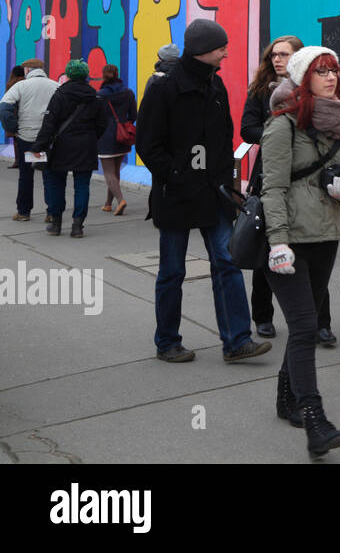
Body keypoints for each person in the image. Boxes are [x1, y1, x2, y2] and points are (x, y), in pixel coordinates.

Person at [135, 19, 271, 364]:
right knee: (171, 271)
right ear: (202, 50)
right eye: (221, 47)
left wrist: (228, 184)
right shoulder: (163, 88)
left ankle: (238, 341)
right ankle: (167, 341)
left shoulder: (216, 86)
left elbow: (225, 139)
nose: (226, 52)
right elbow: (147, 145)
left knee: (227, 263)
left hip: (215, 194)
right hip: (175, 195)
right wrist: (175, 176)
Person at [261, 45, 340, 457]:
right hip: (290, 241)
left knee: (303, 323)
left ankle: (286, 399)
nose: (332, 77)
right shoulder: (282, 126)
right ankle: (315, 419)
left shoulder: (338, 122)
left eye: (334, 70)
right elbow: (273, 188)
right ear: (303, 79)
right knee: (303, 328)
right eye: (322, 72)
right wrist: (278, 241)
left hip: (326, 234)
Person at [242, 35, 332, 343]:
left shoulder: (318, 93)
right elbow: (246, 128)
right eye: (273, 55)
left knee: (317, 258)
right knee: (269, 246)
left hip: (311, 180)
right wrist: (278, 131)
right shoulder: (259, 92)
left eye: (284, 55)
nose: (277, 60)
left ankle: (321, 322)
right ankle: (263, 316)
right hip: (271, 173)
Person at [32, 60, 108, 238]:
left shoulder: (60, 95)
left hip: (60, 146)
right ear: (86, 75)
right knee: (82, 186)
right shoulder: (95, 97)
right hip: (86, 146)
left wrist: (38, 146)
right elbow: (102, 124)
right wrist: (90, 137)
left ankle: (56, 223)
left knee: (56, 183)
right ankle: (77, 225)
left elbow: (49, 124)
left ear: (68, 75)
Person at [0, 59, 60, 222]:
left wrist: (14, 128)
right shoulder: (55, 85)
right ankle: (51, 212)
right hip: (47, 139)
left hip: (27, 138)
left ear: (27, 70)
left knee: (26, 174)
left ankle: (24, 211)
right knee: (48, 174)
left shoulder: (20, 86)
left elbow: (4, 108)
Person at [96, 64, 136, 215]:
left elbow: (96, 117)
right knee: (115, 172)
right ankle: (108, 203)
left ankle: (121, 201)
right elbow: (134, 115)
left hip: (105, 137)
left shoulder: (100, 95)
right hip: (123, 137)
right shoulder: (128, 92)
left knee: (108, 172)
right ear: (117, 74)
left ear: (103, 75)